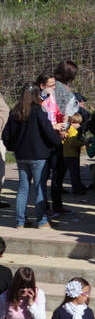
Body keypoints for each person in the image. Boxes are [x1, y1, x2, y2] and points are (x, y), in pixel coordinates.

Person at [4, 84, 63, 229]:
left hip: (21, 156)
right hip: (38, 156)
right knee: (39, 188)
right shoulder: (38, 112)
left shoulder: (15, 112)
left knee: (23, 188)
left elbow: (6, 135)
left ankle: (20, 221)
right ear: (37, 95)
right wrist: (57, 142)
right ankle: (42, 221)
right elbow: (48, 132)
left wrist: (13, 147)